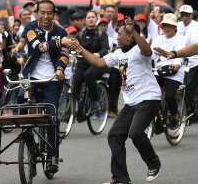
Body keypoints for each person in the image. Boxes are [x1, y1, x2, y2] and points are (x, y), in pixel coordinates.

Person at [70, 18, 162, 184]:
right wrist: (79, 47)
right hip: (131, 102)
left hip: (148, 98)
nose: (117, 37)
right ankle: (120, 178)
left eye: (120, 34)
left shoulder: (139, 50)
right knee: (115, 135)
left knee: (135, 133)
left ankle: (153, 163)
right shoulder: (118, 54)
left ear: (130, 37)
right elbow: (97, 62)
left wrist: (133, 30)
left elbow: (148, 51)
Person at [20, 0, 71, 174]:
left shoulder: (61, 31)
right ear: (36, 13)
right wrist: (59, 42)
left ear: (54, 14)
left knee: (52, 117)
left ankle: (52, 157)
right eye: (42, 12)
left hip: (52, 79)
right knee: (21, 100)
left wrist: (59, 68)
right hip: (32, 77)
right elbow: (39, 47)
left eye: (49, 13)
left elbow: (65, 54)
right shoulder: (30, 28)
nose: (45, 16)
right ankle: (27, 138)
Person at [151, 13, 185, 131]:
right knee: (151, 94)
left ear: (175, 27)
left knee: (170, 96)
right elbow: (150, 55)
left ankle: (175, 115)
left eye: (170, 25)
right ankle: (159, 118)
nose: (167, 28)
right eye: (165, 25)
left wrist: (177, 64)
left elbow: (181, 54)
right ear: (162, 27)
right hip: (159, 71)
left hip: (174, 71)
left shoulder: (180, 38)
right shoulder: (158, 39)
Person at [73, 10, 109, 120]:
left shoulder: (102, 34)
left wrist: (98, 54)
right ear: (85, 20)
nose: (91, 19)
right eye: (89, 17)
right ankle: (79, 108)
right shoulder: (79, 35)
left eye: (93, 17)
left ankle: (94, 102)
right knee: (76, 82)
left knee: (88, 75)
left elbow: (105, 48)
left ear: (96, 19)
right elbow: (75, 47)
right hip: (82, 63)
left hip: (97, 64)